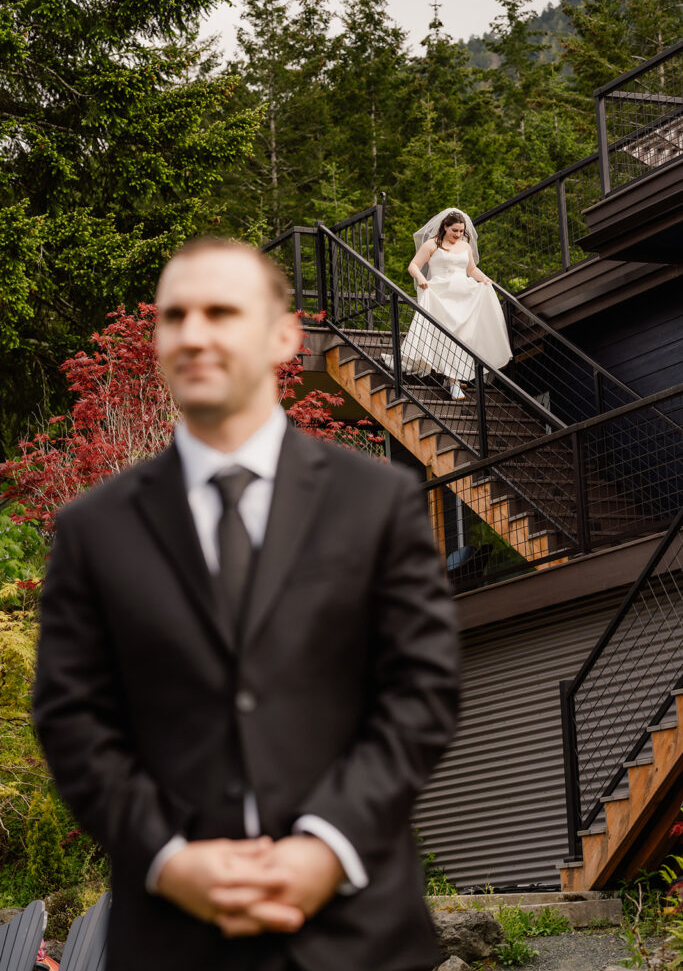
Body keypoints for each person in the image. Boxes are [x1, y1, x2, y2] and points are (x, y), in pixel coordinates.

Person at [34, 238, 460, 971]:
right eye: (174, 316)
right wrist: (167, 858)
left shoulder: (377, 502)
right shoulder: (92, 529)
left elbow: (420, 693)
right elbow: (72, 718)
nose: (193, 335)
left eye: (221, 312)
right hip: (171, 940)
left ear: (283, 336)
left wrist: (326, 845)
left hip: (363, 938)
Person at [383, 209, 512, 400]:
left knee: (463, 337)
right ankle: (453, 383)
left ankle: (455, 378)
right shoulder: (432, 244)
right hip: (440, 297)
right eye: (454, 231)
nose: (458, 235)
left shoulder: (465, 247)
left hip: (463, 298)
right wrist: (420, 278)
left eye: (461, 231)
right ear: (445, 226)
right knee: (448, 337)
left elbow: (471, 269)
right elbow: (413, 265)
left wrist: (485, 279)